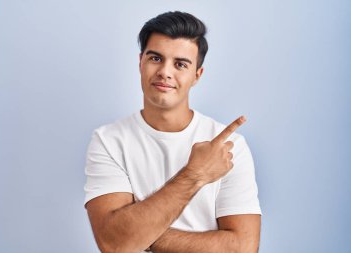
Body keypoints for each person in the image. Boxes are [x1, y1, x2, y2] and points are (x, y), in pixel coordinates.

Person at [84, 11, 262, 253]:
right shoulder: (108, 141)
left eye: (180, 64)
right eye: (155, 58)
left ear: (197, 75)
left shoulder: (229, 147)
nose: (165, 72)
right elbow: (113, 244)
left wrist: (137, 230)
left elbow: (242, 248)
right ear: (140, 62)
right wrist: (194, 174)